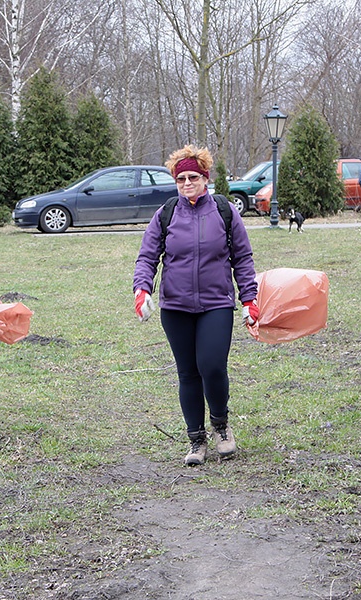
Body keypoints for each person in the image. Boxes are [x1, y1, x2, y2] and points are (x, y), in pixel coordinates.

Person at [133, 145, 258, 466]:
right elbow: (147, 256)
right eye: (181, 178)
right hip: (175, 307)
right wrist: (142, 289)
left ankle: (221, 427)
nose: (187, 183)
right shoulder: (166, 214)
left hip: (216, 304)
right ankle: (196, 440)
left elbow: (242, 258)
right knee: (188, 373)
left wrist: (249, 299)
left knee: (212, 366)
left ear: (205, 178)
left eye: (193, 177)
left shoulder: (224, 211)